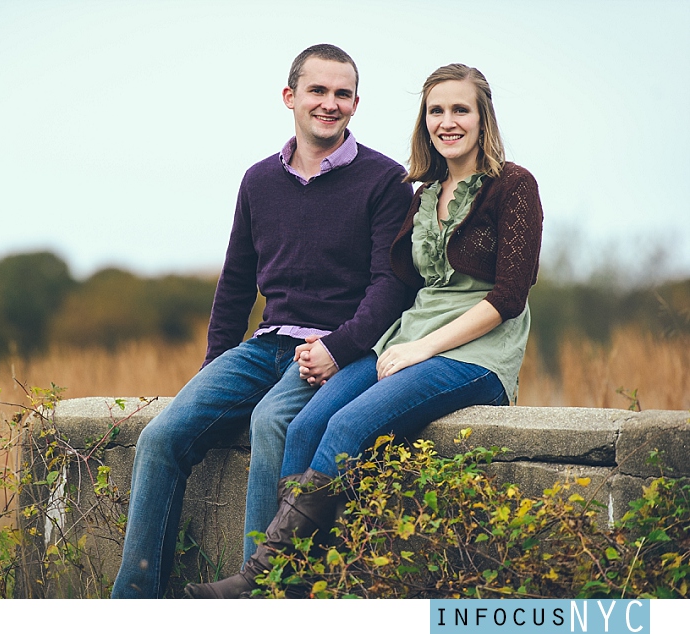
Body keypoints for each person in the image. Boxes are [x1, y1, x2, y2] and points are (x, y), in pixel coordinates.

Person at [185, 62, 544, 599]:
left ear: (482, 116)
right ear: (424, 120)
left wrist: (420, 348)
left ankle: (264, 581)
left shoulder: (513, 186)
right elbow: (383, 276)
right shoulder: (421, 192)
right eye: (436, 110)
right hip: (407, 339)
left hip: (476, 352)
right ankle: (299, 587)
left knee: (348, 425)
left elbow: (508, 299)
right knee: (306, 424)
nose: (448, 122)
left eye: (460, 109)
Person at [110, 44, 414, 599]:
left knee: (271, 422)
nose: (329, 104)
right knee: (159, 437)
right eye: (317, 91)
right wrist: (214, 366)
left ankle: (259, 597)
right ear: (289, 96)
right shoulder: (258, 181)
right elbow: (235, 283)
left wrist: (341, 348)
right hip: (266, 345)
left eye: (341, 93)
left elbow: (389, 285)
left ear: (356, 103)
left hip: (335, 351)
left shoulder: (385, 181)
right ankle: (134, 602)